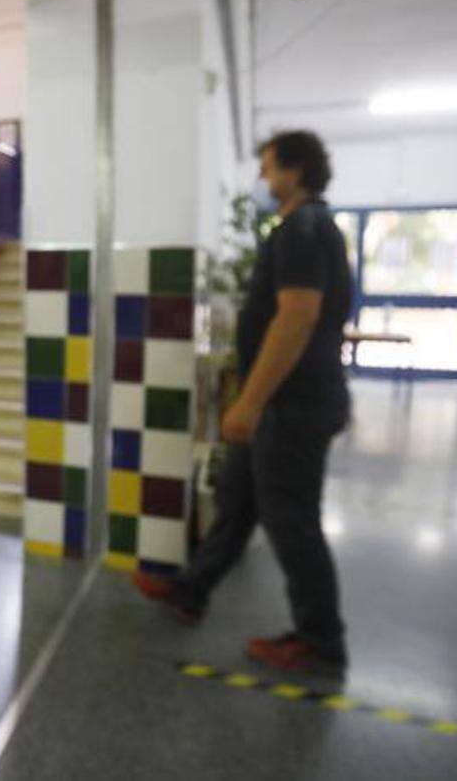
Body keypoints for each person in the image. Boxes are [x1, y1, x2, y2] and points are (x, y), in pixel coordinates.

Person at [134, 129, 353, 675]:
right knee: (237, 501)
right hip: (287, 402)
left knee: (291, 522)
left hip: (292, 406)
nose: (260, 179)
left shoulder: (304, 228)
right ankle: (190, 590)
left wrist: (251, 403)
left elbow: (297, 317)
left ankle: (321, 639)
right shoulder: (304, 227)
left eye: (267, 167)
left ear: (295, 171)